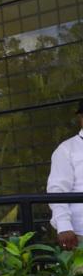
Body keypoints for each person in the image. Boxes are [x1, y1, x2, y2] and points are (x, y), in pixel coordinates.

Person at [48, 100, 83, 250]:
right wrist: (63, 226)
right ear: (81, 118)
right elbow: (57, 190)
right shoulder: (67, 149)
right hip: (79, 235)